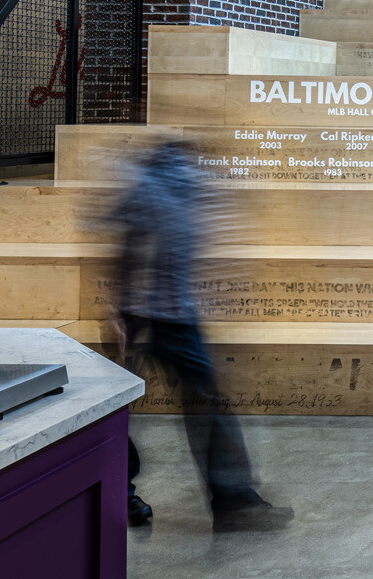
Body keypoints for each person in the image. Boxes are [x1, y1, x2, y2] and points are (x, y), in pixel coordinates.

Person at [110, 140, 292, 533]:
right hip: (162, 317)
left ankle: (124, 495)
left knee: (131, 409)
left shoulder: (170, 182)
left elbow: (136, 247)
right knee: (196, 407)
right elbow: (132, 249)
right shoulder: (163, 183)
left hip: (165, 313)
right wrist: (125, 310)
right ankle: (234, 502)